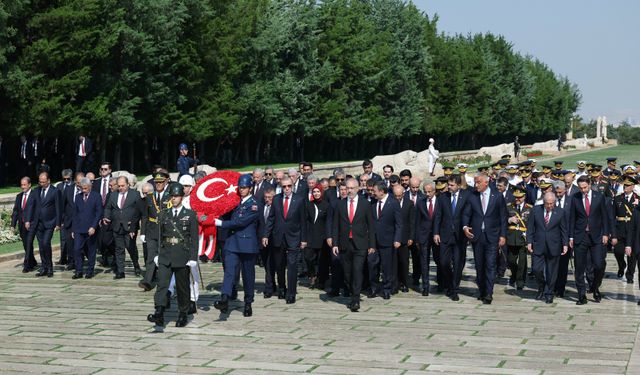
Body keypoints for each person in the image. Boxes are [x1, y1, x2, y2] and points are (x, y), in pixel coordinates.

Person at [147, 183, 199, 329]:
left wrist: (193, 258)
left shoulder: (190, 215)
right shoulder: (164, 214)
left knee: (182, 287)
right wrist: (157, 254)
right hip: (165, 254)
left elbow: (194, 238)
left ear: (181, 197)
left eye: (176, 196)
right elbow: (160, 235)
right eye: (172, 196)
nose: (174, 199)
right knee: (162, 285)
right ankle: (159, 312)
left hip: (182, 255)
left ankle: (183, 313)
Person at [214, 174, 260, 317]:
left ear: (250, 188)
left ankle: (248, 303)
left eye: (245, 187)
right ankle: (224, 298)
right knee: (229, 271)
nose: (242, 190)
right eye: (240, 187)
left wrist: (221, 224)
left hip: (247, 243)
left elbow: (241, 221)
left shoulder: (254, 204)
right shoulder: (234, 202)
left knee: (248, 275)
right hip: (233, 242)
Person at [331, 178, 376, 312]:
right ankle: (352, 292)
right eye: (347, 188)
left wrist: (372, 244)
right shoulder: (340, 204)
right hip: (345, 243)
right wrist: (335, 243)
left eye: (352, 188)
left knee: (357, 270)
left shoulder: (365, 204)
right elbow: (335, 226)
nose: (349, 191)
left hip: (360, 243)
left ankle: (355, 299)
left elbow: (371, 226)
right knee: (348, 273)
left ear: (357, 189)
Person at [462, 173, 508, 304]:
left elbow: (503, 217)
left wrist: (503, 235)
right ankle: (482, 290)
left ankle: (489, 293)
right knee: (479, 265)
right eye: (475, 182)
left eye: (478, 182)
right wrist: (465, 227)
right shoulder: (473, 196)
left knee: (490, 264)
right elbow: (466, 214)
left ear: (486, 183)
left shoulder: (497, 196)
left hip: (492, 236)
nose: (476, 185)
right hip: (477, 237)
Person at [263, 177, 307, 304]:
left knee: (292, 266)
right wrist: (266, 235)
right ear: (281, 187)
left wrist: (303, 239)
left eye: (289, 186)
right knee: (279, 265)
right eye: (284, 186)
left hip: (294, 237)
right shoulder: (276, 199)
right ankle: (282, 288)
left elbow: (304, 221)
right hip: (278, 237)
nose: (286, 188)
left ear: (292, 185)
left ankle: (291, 293)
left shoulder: (299, 199)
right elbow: (271, 218)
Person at [569, 175, 610, 304]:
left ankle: (595, 287)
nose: (583, 190)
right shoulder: (575, 198)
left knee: (598, 264)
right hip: (580, 236)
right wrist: (571, 237)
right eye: (581, 188)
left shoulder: (599, 197)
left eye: (585, 187)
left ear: (590, 184)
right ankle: (582, 295)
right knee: (579, 268)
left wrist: (605, 233)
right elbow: (571, 219)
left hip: (597, 236)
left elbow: (605, 216)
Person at [526, 193, 568, 303]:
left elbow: (564, 229)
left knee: (552, 271)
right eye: (547, 203)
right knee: (536, 269)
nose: (549, 206)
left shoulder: (560, 212)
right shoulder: (535, 210)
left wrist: (565, 244)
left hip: (554, 245)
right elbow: (530, 227)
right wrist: (529, 242)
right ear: (543, 202)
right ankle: (541, 287)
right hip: (538, 244)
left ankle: (549, 292)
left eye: (551, 203)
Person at [434, 175, 469, 301]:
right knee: (443, 262)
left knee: (458, 263)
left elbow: (469, 214)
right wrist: (436, 233)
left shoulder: (466, 196)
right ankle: (449, 283)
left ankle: (454, 289)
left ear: (459, 185)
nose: (448, 187)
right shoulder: (443, 197)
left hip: (460, 236)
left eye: (452, 185)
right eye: (448, 184)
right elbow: (438, 216)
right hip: (445, 235)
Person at [103, 176, 141, 279]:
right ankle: (120, 271)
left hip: (129, 227)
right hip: (116, 226)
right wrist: (106, 217)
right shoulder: (112, 195)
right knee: (119, 249)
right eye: (119, 186)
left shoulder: (135, 194)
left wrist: (133, 223)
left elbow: (139, 211)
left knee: (130, 247)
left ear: (128, 184)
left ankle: (136, 265)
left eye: (123, 186)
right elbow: (108, 207)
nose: (121, 188)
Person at [368, 182, 401, 300]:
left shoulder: (393, 203)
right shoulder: (372, 202)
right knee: (372, 264)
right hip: (373, 241)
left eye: (375, 191)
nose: (373, 193)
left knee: (387, 267)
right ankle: (373, 288)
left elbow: (399, 223)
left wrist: (397, 239)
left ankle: (386, 289)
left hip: (388, 240)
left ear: (382, 191)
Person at [70, 178, 103, 279]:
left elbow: (98, 213)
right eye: (82, 188)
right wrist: (73, 229)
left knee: (91, 250)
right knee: (77, 249)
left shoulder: (96, 196)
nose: (83, 190)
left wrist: (93, 226)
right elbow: (75, 214)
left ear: (90, 187)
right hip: (79, 229)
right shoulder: (78, 197)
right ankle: (79, 271)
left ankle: (90, 271)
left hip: (91, 229)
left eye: (85, 188)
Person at [33, 171, 62, 277]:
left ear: (48, 181)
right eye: (40, 182)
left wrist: (58, 223)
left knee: (46, 243)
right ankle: (44, 267)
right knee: (41, 246)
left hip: (50, 222)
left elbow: (59, 208)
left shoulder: (55, 191)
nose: (42, 184)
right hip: (38, 223)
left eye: (44, 182)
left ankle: (50, 268)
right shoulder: (36, 191)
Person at [611, 177, 638, 282]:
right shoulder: (618, 199)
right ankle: (622, 265)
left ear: (633, 187)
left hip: (633, 230)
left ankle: (630, 275)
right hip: (620, 229)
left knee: (632, 255)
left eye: (627, 185)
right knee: (618, 251)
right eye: (624, 185)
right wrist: (612, 234)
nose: (625, 187)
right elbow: (613, 216)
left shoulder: (638, 199)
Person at [304, 184, 330, 290]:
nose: (316, 193)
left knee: (322, 261)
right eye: (314, 192)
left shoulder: (327, 205)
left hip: (323, 237)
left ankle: (321, 280)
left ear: (321, 192)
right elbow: (305, 221)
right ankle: (312, 275)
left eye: (318, 191)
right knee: (308, 257)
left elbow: (329, 222)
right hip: (311, 236)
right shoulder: (308, 205)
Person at [505, 187, 532, 290]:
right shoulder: (508, 207)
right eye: (516, 197)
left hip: (523, 238)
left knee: (522, 261)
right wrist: (509, 219)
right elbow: (502, 219)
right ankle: (515, 275)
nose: (517, 199)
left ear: (524, 197)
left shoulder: (529, 208)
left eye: (519, 197)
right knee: (511, 260)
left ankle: (520, 281)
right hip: (511, 237)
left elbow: (532, 224)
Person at [11, 177, 38, 272]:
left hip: (32, 224)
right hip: (22, 225)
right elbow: (15, 212)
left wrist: (31, 221)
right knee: (25, 244)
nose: (23, 187)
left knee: (29, 243)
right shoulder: (19, 196)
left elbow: (37, 210)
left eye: (24, 185)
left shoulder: (35, 195)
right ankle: (33, 261)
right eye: (21, 185)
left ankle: (27, 265)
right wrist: (12, 225)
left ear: (29, 185)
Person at [392, 184, 415, 294]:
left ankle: (405, 283)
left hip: (405, 237)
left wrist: (411, 237)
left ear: (403, 194)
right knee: (394, 263)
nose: (397, 198)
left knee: (404, 262)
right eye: (395, 195)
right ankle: (395, 284)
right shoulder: (390, 203)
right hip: (393, 237)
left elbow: (412, 222)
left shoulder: (409, 204)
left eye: (399, 196)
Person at [258, 186, 278, 297]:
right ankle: (272, 284)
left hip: (274, 240)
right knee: (266, 264)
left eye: (270, 197)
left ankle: (269, 288)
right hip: (262, 240)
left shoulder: (277, 208)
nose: (267, 199)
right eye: (265, 197)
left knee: (271, 264)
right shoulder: (261, 207)